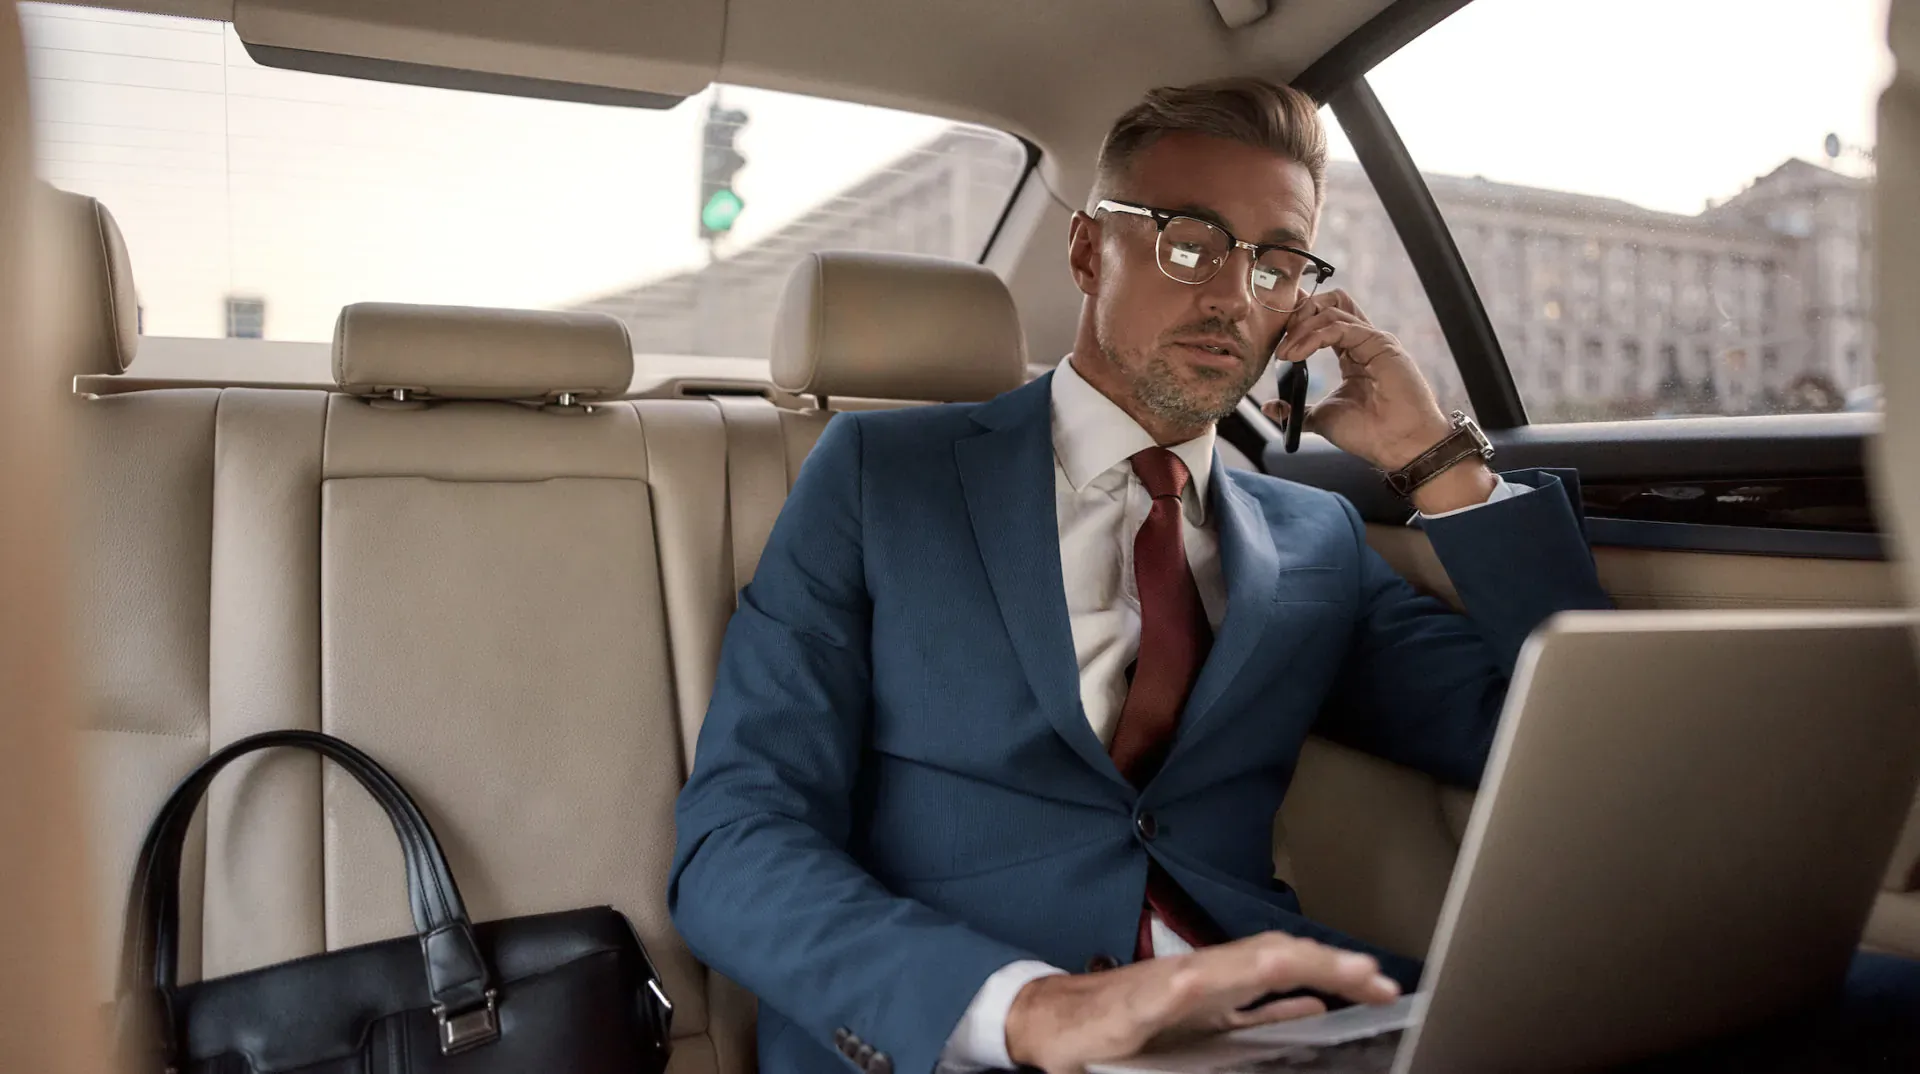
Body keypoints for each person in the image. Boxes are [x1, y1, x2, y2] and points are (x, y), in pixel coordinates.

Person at [669, 77, 1914, 1074]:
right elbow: (735, 841)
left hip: (1283, 1016)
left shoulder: (1309, 540)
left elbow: (1561, 736)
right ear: (1089, 253)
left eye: (1277, 261)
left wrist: (1439, 467)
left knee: (1865, 1003)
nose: (1234, 293)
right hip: (971, 1024)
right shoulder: (885, 474)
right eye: (1190, 244)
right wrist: (1026, 1010)